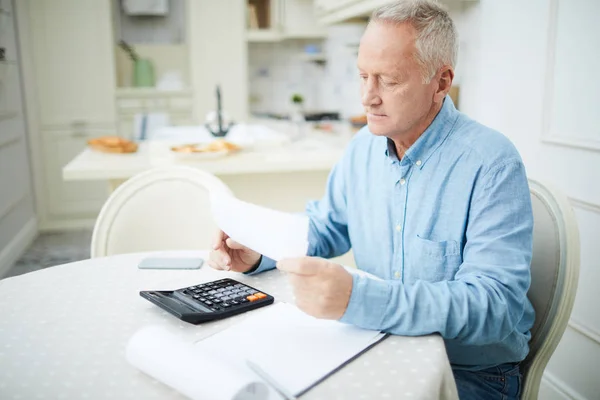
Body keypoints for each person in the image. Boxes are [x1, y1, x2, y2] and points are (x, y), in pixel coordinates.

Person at [208, 1, 534, 398]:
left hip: (467, 372)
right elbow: (328, 226)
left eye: (388, 80)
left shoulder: (491, 162)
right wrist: (262, 251)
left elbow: (494, 306)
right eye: (363, 75)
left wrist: (361, 299)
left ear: (442, 81)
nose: (367, 97)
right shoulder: (363, 146)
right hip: (378, 347)